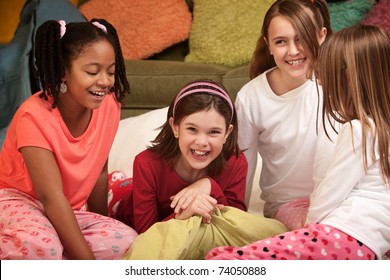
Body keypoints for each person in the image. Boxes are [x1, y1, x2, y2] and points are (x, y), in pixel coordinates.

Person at [206, 24, 390, 260]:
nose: (322, 85)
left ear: (349, 80)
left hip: (341, 235)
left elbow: (330, 192)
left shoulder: (357, 130)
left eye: (327, 78)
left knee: (223, 259)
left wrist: (309, 228)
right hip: (369, 245)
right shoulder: (382, 128)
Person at [0, 19, 138, 260]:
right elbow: (50, 197)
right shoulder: (33, 117)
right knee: (46, 247)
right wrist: (88, 266)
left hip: (66, 210)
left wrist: (101, 221)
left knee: (127, 241)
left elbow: (99, 174)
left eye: (111, 71)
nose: (105, 81)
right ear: (63, 70)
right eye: (92, 72)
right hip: (17, 200)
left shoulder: (110, 106)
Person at [113, 80, 287, 259]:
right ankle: (117, 183)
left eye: (213, 132)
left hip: (188, 229)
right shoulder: (146, 164)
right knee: (121, 190)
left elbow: (234, 222)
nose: (202, 142)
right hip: (128, 209)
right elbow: (146, 234)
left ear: (227, 133)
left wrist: (210, 186)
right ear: (175, 127)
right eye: (192, 129)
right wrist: (182, 214)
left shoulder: (236, 162)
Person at [236, 0, 332, 230]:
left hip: (338, 196)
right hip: (288, 205)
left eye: (302, 38)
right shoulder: (251, 97)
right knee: (315, 235)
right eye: (281, 41)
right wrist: (236, 220)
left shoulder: (337, 84)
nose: (293, 51)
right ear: (268, 45)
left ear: (321, 36)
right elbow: (242, 166)